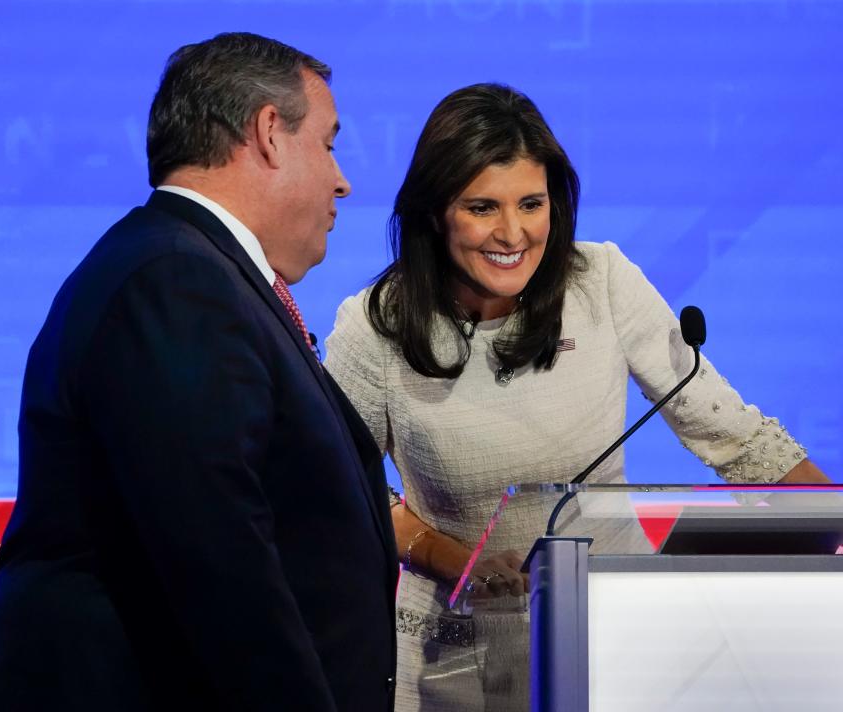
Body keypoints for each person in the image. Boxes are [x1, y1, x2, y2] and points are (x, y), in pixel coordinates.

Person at [324, 83, 830, 711]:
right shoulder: (376, 326)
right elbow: (343, 492)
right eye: (483, 207)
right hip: (452, 657)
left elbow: (737, 437)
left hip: (613, 633)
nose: (513, 234)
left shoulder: (603, 283)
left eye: (531, 204)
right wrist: (457, 560)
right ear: (435, 212)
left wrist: (832, 526)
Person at [0, 33, 398, 712]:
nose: (342, 179)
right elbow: (220, 559)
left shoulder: (190, 271)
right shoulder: (177, 280)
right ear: (269, 133)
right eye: (329, 142)